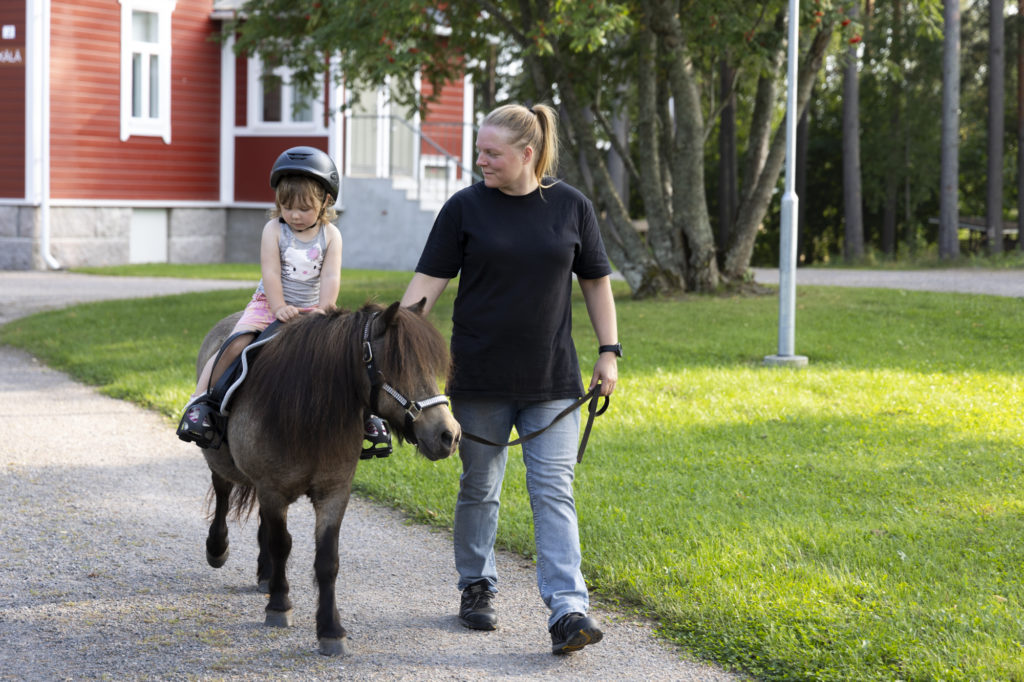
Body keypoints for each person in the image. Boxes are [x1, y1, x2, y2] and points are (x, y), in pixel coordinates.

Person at [399, 103, 620, 655]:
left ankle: (569, 609)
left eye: (491, 153)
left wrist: (609, 351)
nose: (480, 161)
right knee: (480, 487)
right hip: (477, 379)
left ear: (528, 154)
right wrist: (394, 340)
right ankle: (477, 586)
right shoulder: (464, 209)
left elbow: (595, 282)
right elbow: (426, 285)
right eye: (479, 151)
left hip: (553, 380)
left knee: (554, 493)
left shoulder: (571, 207)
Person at [176, 146, 377, 450]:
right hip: (269, 304)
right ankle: (201, 403)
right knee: (235, 344)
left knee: (344, 354)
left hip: (314, 308)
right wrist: (278, 306)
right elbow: (270, 273)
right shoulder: (274, 229)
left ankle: (364, 418)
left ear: (325, 201)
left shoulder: (331, 236)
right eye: (287, 206)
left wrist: (325, 310)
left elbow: (330, 277)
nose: (295, 214)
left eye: (304, 208)